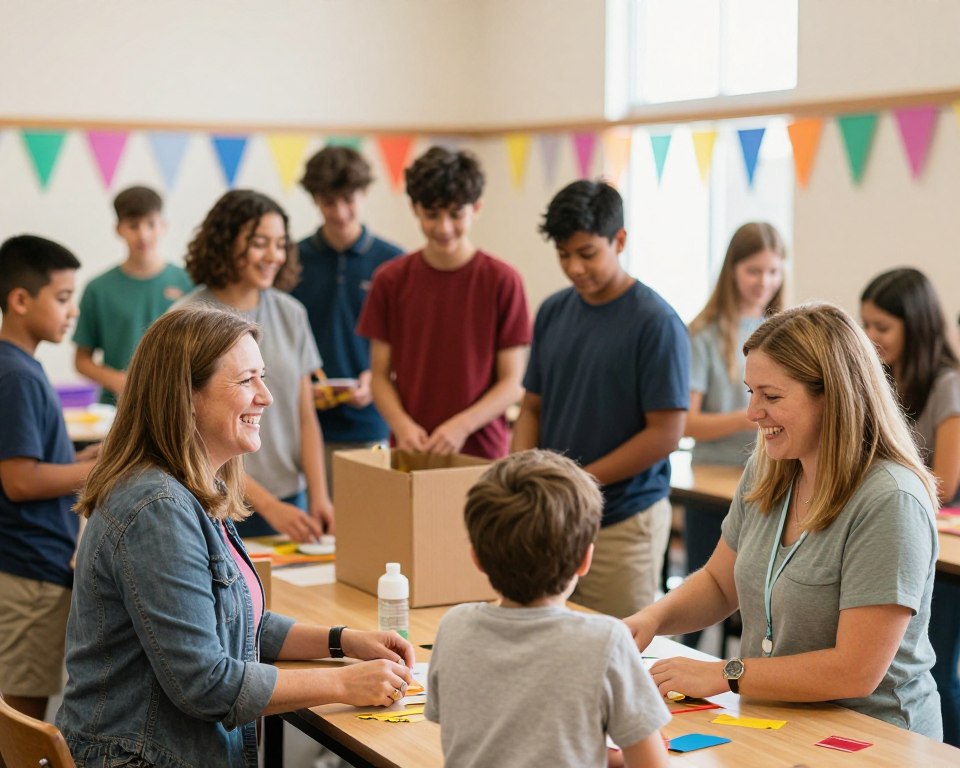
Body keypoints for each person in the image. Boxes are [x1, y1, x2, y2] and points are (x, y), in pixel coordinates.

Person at [57, 306, 414, 768]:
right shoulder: (157, 507)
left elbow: (239, 624)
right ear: (186, 396)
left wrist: (343, 640)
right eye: (247, 381)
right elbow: (205, 683)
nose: (266, 396)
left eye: (262, 378)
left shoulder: (187, 488)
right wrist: (346, 684)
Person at [625, 303, 942, 739]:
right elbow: (720, 583)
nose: (753, 413)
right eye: (750, 391)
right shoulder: (771, 466)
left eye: (771, 396)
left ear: (832, 396)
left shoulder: (890, 500)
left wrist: (724, 672)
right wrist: (653, 619)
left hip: (873, 735)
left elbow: (854, 671)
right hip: (778, 717)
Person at [512, 180, 690, 618]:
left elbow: (666, 433)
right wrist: (522, 475)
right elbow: (531, 407)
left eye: (587, 253)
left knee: (619, 646)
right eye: (563, 254)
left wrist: (576, 481)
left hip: (623, 521)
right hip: (556, 516)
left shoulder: (656, 322)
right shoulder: (554, 310)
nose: (574, 267)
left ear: (620, 240)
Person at [425, 450, 670, 768]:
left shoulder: (454, 625)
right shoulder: (607, 641)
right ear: (585, 559)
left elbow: (489, 741)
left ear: (478, 560)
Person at [175, 189, 332, 542]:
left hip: (291, 499)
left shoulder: (292, 313)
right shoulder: (186, 320)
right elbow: (189, 432)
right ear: (225, 243)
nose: (273, 256)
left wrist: (320, 496)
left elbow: (305, 414)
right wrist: (266, 505)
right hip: (214, 497)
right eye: (260, 243)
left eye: (280, 244)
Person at [357, 146, 530, 460]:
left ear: (476, 208)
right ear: (415, 208)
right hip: (411, 448)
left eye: (455, 214)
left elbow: (512, 382)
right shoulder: (390, 280)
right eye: (431, 214)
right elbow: (380, 374)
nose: (444, 227)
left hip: (481, 452)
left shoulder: (503, 281)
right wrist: (402, 424)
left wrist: (462, 426)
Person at [0, 236, 99, 729]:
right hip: (29, 573)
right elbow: (19, 480)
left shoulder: (23, 369)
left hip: (33, 568)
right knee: (20, 725)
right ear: (20, 300)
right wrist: (104, 470)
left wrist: (85, 457)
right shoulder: (16, 375)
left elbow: (36, 461)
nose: (72, 310)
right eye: (62, 298)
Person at [860, 267, 960, 746]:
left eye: (882, 327)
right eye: (866, 326)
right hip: (892, 527)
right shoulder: (879, 379)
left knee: (930, 662)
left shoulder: (947, 385)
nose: (871, 338)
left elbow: (943, 482)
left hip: (933, 535)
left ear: (915, 326)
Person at [682, 222, 785, 648]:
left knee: (760, 596)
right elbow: (688, 422)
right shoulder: (703, 333)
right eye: (754, 271)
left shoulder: (781, 331)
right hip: (712, 475)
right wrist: (753, 415)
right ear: (731, 271)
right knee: (706, 584)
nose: (765, 282)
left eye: (773, 272)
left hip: (771, 476)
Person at [291, 146, 404, 488]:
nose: (340, 212)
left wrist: (379, 379)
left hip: (371, 424)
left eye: (349, 199)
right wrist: (298, 386)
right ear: (314, 200)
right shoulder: (291, 261)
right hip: (305, 424)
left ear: (365, 193)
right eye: (329, 202)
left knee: (370, 527)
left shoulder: (393, 263)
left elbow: (408, 342)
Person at [73, 185, 192, 405]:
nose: (143, 235)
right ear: (118, 229)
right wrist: (119, 381)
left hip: (177, 403)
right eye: (133, 226)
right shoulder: (98, 289)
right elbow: (82, 360)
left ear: (163, 226)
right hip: (117, 408)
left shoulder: (188, 283)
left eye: (150, 224)